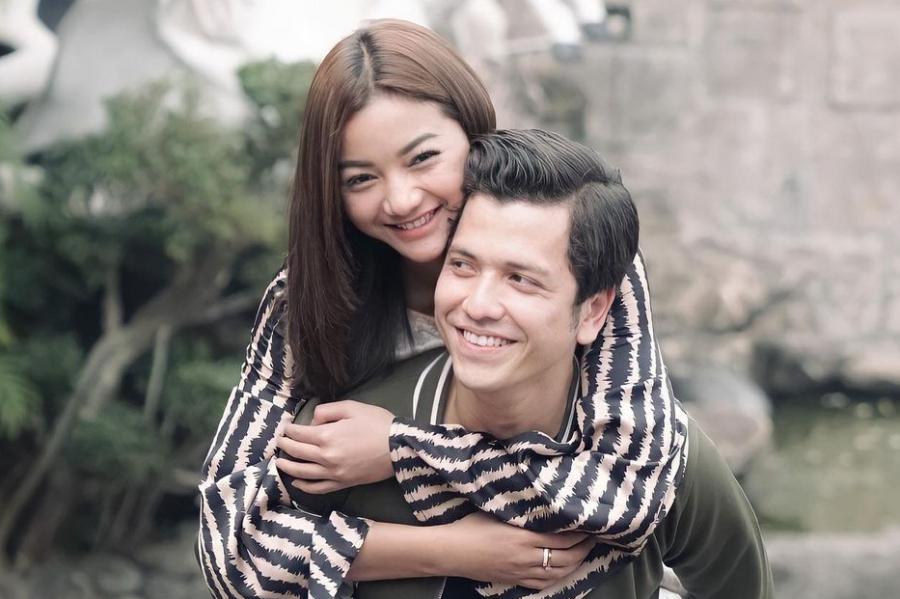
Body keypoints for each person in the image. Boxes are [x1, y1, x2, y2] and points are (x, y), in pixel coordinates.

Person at [197, 19, 686, 599]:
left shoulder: (573, 250)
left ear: (472, 133)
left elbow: (626, 494)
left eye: (423, 158)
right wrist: (452, 550)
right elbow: (230, 551)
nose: (401, 199)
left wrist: (401, 449)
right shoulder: (308, 299)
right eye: (361, 179)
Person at [283, 128, 773, 598]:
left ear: (593, 311)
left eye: (521, 279)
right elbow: (254, 560)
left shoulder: (656, 462)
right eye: (462, 265)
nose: (478, 304)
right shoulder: (340, 444)